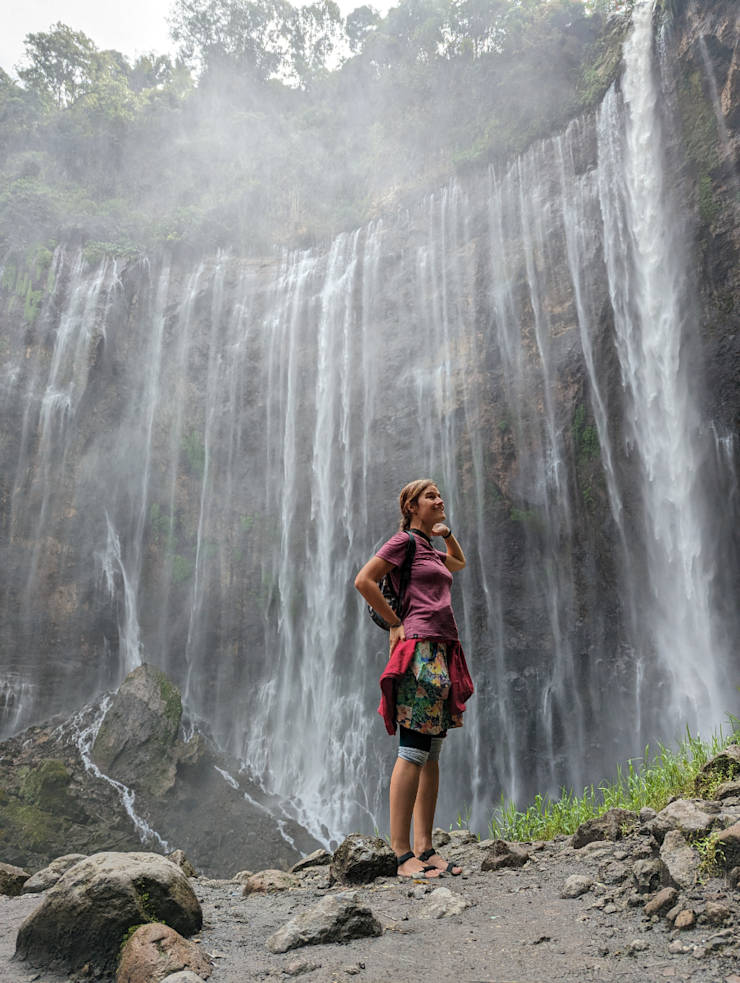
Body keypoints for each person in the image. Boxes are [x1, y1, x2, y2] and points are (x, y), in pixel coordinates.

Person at [354, 479, 474, 878]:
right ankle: (402, 853)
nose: (440, 499)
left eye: (440, 494)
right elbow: (364, 580)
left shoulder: (430, 549)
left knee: (432, 752)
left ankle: (425, 847)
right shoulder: (403, 542)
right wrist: (395, 624)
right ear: (411, 506)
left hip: (443, 650)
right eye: (430, 496)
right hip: (419, 649)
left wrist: (448, 534)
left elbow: (457, 563)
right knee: (413, 749)